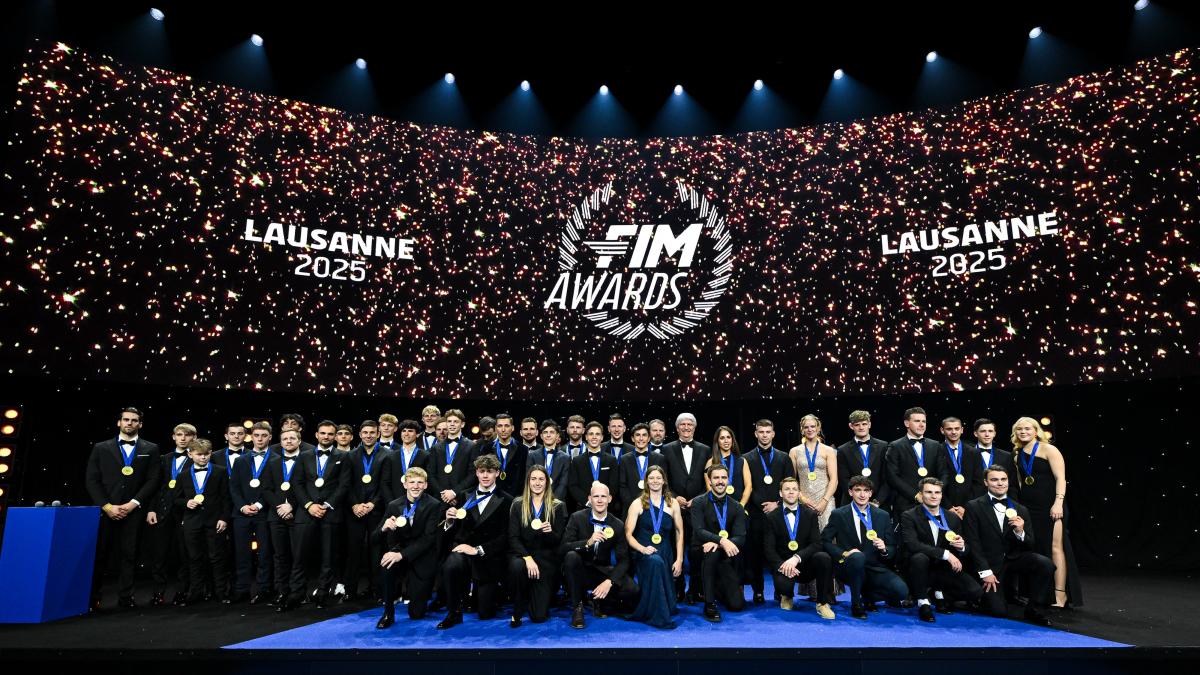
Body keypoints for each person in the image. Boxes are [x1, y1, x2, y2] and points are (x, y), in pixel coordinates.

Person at [85, 407, 162, 611]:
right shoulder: (101, 447)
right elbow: (92, 480)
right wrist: (107, 506)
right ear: (118, 422)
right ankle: (93, 597)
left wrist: (133, 503)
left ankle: (126, 597)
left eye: (134, 420)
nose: (130, 423)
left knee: (130, 554)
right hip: (106, 510)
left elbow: (153, 479)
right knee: (100, 554)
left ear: (140, 424)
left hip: (134, 510)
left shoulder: (151, 448)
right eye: (126, 419)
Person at [963, 466, 1054, 625]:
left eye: (1003, 479)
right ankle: (978, 598)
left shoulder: (1020, 509)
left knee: (1045, 564)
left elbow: (1030, 543)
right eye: (994, 480)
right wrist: (985, 572)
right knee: (998, 612)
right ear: (986, 482)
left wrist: (1020, 532)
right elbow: (973, 542)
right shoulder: (973, 506)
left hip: (1013, 559)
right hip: (989, 564)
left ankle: (1034, 609)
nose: (1000, 483)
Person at [1012, 417, 1082, 609]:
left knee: (1055, 548)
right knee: (1034, 549)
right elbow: (1021, 483)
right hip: (1029, 507)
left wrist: (1058, 503)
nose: (1023, 432)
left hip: (1051, 505)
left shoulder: (1049, 449)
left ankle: (1060, 595)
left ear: (1036, 431)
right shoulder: (1017, 456)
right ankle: (1039, 594)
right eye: (1019, 429)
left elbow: (1061, 478)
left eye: (1027, 428)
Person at [437, 454, 513, 628]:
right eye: (482, 471)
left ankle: (491, 593)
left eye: (490, 471)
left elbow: (506, 537)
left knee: (485, 613)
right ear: (476, 473)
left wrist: (478, 549)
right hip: (464, 552)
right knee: (451, 563)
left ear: (497, 473)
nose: (485, 475)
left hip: (489, 556)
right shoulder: (463, 496)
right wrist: (449, 522)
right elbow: (451, 533)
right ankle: (453, 612)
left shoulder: (507, 500)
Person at [822, 476, 908, 618]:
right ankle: (856, 604)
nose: (862, 494)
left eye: (866, 490)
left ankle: (867, 596)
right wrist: (844, 553)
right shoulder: (838, 514)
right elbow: (824, 541)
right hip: (848, 566)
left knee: (901, 591)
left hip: (874, 567)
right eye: (858, 490)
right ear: (850, 492)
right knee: (857, 557)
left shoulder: (882, 515)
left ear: (870, 493)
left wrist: (884, 549)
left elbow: (892, 546)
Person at [899, 478, 982, 622]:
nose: (933, 496)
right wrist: (945, 554)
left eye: (937, 492)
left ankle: (938, 594)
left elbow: (966, 548)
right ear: (921, 495)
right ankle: (923, 602)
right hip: (918, 568)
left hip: (943, 569)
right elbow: (913, 545)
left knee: (975, 591)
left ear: (942, 495)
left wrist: (961, 546)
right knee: (919, 557)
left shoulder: (952, 518)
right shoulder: (909, 515)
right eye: (929, 492)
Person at [560, 482, 638, 629]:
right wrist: (587, 542)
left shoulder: (617, 525)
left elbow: (624, 560)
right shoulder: (577, 518)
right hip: (579, 570)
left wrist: (609, 581)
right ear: (590, 499)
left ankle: (600, 601)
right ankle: (577, 607)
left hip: (601, 570)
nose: (600, 500)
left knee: (632, 590)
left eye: (603, 496)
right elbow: (563, 548)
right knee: (571, 556)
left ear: (610, 499)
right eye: (596, 496)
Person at [375, 467, 447, 627]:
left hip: (422, 557)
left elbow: (428, 539)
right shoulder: (394, 505)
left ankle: (418, 594)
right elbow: (374, 538)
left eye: (420, 482)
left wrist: (401, 555)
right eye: (412, 482)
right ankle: (388, 613)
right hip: (400, 554)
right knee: (386, 563)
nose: (415, 486)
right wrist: (383, 528)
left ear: (426, 485)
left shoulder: (434, 505)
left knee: (416, 614)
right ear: (405, 484)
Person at [294, 421, 351, 609]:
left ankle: (322, 593)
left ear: (335, 436)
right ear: (316, 435)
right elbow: (297, 483)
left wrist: (326, 505)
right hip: (306, 512)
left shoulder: (344, 456)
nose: (326, 436)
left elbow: (344, 485)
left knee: (328, 556)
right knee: (300, 555)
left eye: (330, 434)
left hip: (331, 513)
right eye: (323, 433)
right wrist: (309, 505)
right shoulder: (304, 456)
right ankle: (297, 593)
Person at [763, 477, 835, 619]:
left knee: (824, 558)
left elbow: (816, 544)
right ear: (780, 493)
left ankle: (822, 603)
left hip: (804, 563)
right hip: (784, 566)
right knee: (784, 585)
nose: (791, 492)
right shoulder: (771, 517)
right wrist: (784, 565)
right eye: (787, 489)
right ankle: (786, 595)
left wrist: (796, 558)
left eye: (794, 489)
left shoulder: (810, 514)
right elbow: (768, 549)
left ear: (799, 493)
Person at [173, 438, 232, 605]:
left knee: (217, 558)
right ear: (190, 454)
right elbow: (175, 498)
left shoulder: (220, 472)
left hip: (215, 521)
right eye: (199, 454)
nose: (203, 457)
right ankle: (195, 593)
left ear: (211, 453)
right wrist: (186, 502)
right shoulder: (183, 475)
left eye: (206, 454)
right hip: (192, 522)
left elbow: (226, 498)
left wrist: (224, 518)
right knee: (194, 558)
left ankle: (220, 592)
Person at [507, 465, 567, 626]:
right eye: (533, 479)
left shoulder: (557, 506)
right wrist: (527, 558)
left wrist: (549, 532)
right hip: (523, 555)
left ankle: (536, 593)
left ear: (547, 482)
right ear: (528, 481)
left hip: (546, 560)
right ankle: (517, 608)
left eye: (541, 479)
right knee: (517, 566)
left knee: (539, 617)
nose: (537, 483)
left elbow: (559, 541)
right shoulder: (518, 504)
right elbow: (513, 538)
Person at [625, 465, 683, 629]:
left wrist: (679, 559)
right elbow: (628, 534)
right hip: (644, 553)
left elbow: (679, 532)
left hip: (666, 552)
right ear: (646, 481)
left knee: (660, 560)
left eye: (658, 478)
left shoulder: (673, 503)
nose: (655, 481)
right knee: (655, 561)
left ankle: (662, 606)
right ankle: (659, 618)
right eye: (651, 478)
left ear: (664, 481)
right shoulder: (637, 504)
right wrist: (642, 549)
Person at [744, 418, 795, 605]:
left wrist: (777, 503)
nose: (764, 435)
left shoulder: (784, 457)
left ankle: (780, 591)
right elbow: (747, 486)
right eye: (761, 432)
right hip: (756, 514)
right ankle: (758, 591)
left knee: (779, 552)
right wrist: (762, 504)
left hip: (779, 513)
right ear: (756, 434)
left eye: (768, 432)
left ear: (773, 434)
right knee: (755, 554)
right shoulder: (746, 458)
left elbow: (790, 484)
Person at [662, 412, 710, 603]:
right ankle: (678, 588)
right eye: (682, 424)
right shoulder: (666, 449)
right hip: (674, 507)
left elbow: (708, 480)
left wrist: (696, 499)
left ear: (694, 428)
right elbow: (663, 478)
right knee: (676, 549)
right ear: (677, 428)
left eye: (690, 424)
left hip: (698, 508)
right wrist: (675, 497)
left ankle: (696, 589)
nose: (686, 427)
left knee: (697, 551)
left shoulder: (705, 450)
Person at [692, 463, 749, 622]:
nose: (720, 481)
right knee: (712, 552)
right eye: (716, 478)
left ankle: (716, 588)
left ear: (728, 480)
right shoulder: (698, 502)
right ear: (709, 481)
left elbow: (741, 537)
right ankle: (709, 604)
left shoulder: (737, 506)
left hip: (725, 555)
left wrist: (719, 544)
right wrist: (722, 540)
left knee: (737, 605)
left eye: (723, 477)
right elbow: (699, 531)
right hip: (701, 551)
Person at [146, 422, 194, 606]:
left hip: (186, 512)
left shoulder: (198, 458)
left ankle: (182, 591)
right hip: (162, 511)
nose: (183, 438)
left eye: (187, 435)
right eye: (179, 434)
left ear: (194, 438)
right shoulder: (164, 459)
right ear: (173, 437)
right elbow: (155, 485)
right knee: (160, 554)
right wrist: (151, 509)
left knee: (185, 554)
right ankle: (158, 591)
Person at [344, 421, 393, 602]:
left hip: (376, 511)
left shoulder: (388, 455)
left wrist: (372, 504)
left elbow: (385, 484)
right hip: (355, 511)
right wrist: (354, 505)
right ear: (360, 434)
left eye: (372, 432)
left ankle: (377, 591)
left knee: (376, 551)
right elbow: (346, 484)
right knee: (353, 550)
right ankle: (350, 591)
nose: (368, 435)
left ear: (378, 434)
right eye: (365, 432)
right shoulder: (350, 455)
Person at [228, 421, 275, 604]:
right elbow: (234, 487)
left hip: (265, 513)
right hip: (241, 514)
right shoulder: (241, 460)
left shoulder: (276, 459)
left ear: (270, 437)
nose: (260, 439)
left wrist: (260, 505)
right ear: (251, 437)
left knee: (265, 554)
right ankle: (242, 590)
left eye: (264, 435)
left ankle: (264, 589)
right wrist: (242, 506)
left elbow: (275, 488)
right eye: (256, 435)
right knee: (242, 554)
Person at [263, 428, 306, 612]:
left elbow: (307, 488)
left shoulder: (307, 460)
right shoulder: (272, 463)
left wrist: (292, 506)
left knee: (299, 556)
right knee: (280, 556)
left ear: (299, 441)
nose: (288, 441)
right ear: (280, 442)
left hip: (299, 515)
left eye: (292, 438)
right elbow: (266, 489)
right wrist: (280, 507)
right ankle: (283, 591)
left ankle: (298, 593)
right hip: (276, 515)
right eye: (285, 438)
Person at [887, 407, 949, 513]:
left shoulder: (935, 445)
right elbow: (892, 477)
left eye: (924, 421)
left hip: (934, 504)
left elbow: (944, 474)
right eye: (917, 421)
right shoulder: (895, 446)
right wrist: (915, 495)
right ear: (907, 423)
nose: (921, 424)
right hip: (906, 504)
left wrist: (934, 493)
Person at [835, 410, 889, 507]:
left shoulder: (883, 446)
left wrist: (877, 501)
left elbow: (887, 477)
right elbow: (844, 479)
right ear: (851, 426)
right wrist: (859, 500)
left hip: (879, 503)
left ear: (869, 424)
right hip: (852, 502)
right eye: (857, 425)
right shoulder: (843, 450)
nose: (861, 427)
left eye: (864, 424)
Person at [429, 410, 478, 507]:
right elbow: (431, 474)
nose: (452, 424)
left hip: (462, 499)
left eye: (455, 421)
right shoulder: (436, 447)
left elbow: (473, 474)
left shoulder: (472, 446)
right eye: (449, 421)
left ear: (462, 424)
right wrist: (444, 494)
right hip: (440, 500)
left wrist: (454, 492)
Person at [568, 421, 619, 512]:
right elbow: (573, 486)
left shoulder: (611, 460)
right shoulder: (577, 461)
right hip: (583, 509)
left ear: (602, 437)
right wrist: (588, 502)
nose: (594, 437)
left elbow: (614, 485)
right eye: (591, 434)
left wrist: (603, 501)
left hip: (607, 508)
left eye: (597, 434)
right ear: (586, 437)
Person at [938, 417, 984, 517]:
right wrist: (948, 506)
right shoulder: (936, 451)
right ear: (942, 430)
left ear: (962, 430)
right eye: (949, 429)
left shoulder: (974, 452)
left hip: (969, 508)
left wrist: (966, 506)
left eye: (957, 428)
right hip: (943, 508)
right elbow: (934, 481)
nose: (953, 432)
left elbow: (978, 483)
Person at [476, 412, 527, 497]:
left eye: (506, 426)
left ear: (512, 428)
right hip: (492, 497)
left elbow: (525, 476)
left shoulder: (523, 449)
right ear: (496, 428)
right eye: (500, 426)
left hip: (516, 497)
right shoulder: (486, 449)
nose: (503, 429)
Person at [617, 422, 666, 509]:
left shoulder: (660, 458)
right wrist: (633, 505)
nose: (641, 438)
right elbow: (622, 486)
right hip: (631, 506)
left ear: (649, 438)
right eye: (637, 435)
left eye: (644, 435)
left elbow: (663, 483)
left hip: (655, 506)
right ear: (632, 438)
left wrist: (655, 503)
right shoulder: (624, 459)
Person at [385, 419, 430, 503]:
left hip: (419, 501)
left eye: (410, 431)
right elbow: (385, 482)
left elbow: (428, 480)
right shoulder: (391, 456)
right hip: (395, 501)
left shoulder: (425, 455)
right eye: (404, 431)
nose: (406, 434)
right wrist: (391, 503)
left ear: (417, 434)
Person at [705, 425, 751, 507]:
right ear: (717, 441)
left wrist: (741, 505)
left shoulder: (742, 461)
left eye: (728, 437)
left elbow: (748, 486)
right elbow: (709, 488)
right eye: (722, 438)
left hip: (739, 506)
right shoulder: (711, 462)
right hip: (718, 507)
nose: (726, 441)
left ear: (732, 440)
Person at [972, 418, 1016, 494]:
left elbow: (1012, 483)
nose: (987, 434)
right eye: (983, 431)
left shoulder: (1006, 456)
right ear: (976, 433)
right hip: (974, 499)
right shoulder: (966, 454)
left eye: (990, 431)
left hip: (1000, 498)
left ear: (994, 434)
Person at [529, 419, 569, 500]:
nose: (548, 435)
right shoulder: (532, 455)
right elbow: (529, 480)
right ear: (541, 436)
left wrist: (553, 501)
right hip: (535, 500)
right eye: (545, 432)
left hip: (557, 501)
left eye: (552, 432)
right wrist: (538, 500)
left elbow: (563, 484)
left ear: (557, 436)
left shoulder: (565, 458)